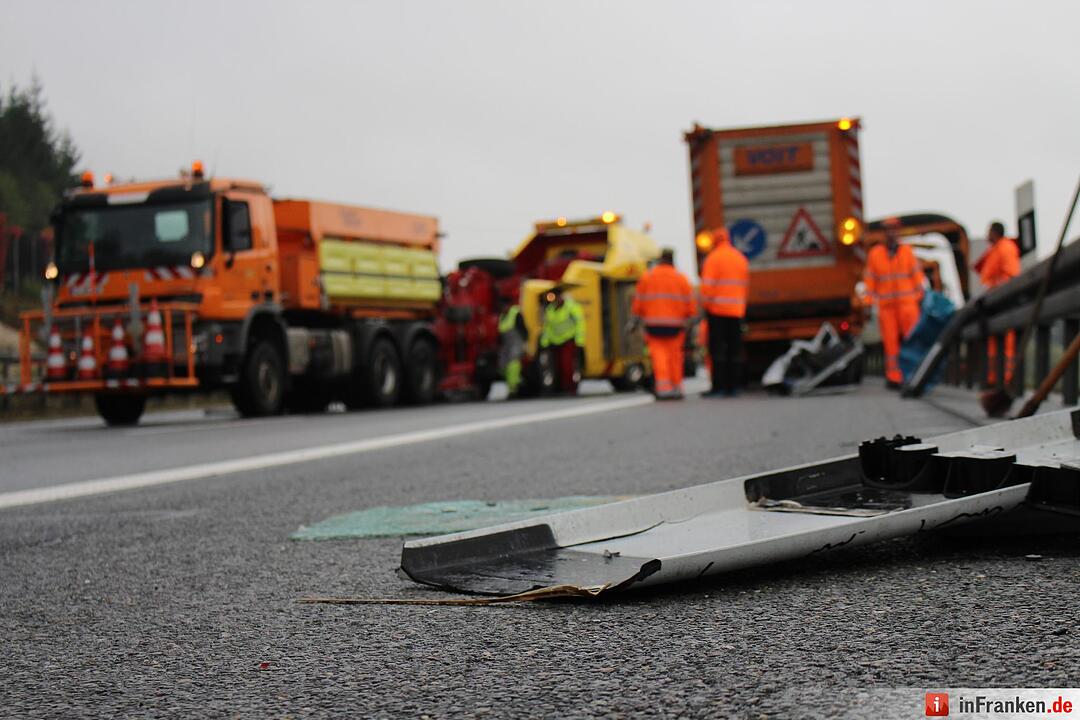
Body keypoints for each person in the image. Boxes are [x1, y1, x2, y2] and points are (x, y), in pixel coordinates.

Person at [864, 217, 925, 389]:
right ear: (884, 233)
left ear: (898, 232)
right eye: (888, 230)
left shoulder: (907, 252)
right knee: (891, 344)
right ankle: (894, 377)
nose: (891, 233)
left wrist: (921, 298)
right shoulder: (875, 254)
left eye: (894, 229)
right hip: (887, 308)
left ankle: (914, 375)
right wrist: (868, 303)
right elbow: (870, 281)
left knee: (912, 341)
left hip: (908, 306)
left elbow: (917, 277)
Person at [631, 248, 697, 399]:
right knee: (675, 357)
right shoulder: (681, 278)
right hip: (675, 326)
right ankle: (676, 387)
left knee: (659, 357)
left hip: (653, 325)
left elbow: (638, 302)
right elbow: (690, 304)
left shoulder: (648, 277)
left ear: (660, 259)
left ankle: (663, 387)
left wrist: (636, 318)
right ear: (672, 260)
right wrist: (690, 320)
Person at [699, 228, 749, 397]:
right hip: (737, 312)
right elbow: (744, 286)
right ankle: (735, 386)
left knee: (718, 351)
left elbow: (707, 287)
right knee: (735, 350)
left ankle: (719, 387)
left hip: (717, 312)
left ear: (715, 241)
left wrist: (705, 307)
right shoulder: (740, 258)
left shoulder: (712, 259)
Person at [975, 221, 1021, 386]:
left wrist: (994, 290)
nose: (987, 234)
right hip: (993, 302)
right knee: (993, 340)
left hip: (1003, 301)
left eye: (989, 231)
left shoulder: (1005, 248)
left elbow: (1011, 275)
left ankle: (1006, 379)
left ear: (994, 232)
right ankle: (994, 378)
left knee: (1006, 340)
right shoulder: (995, 250)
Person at [539, 286, 586, 394]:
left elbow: (580, 324)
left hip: (568, 340)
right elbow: (547, 327)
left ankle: (570, 388)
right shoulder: (550, 310)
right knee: (557, 366)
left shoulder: (572, 307)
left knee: (567, 365)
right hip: (555, 342)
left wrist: (579, 341)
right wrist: (544, 343)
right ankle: (559, 388)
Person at [497, 296, 527, 398]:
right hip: (506, 344)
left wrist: (524, 343)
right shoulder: (502, 316)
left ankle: (513, 388)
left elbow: (523, 329)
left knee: (513, 364)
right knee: (502, 365)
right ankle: (517, 381)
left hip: (516, 342)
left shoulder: (515, 313)